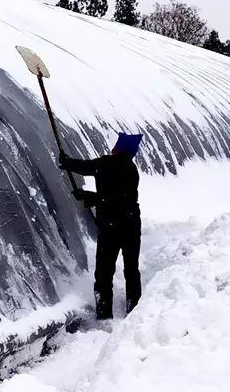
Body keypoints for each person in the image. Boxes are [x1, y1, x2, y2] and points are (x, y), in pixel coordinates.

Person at [59, 132, 143, 320]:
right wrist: (70, 165)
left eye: (116, 145)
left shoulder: (105, 164)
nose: (112, 147)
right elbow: (119, 197)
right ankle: (134, 311)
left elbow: (87, 168)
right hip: (131, 224)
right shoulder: (131, 169)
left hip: (111, 225)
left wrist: (67, 162)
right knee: (131, 269)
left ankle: (104, 314)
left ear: (118, 148)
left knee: (104, 272)